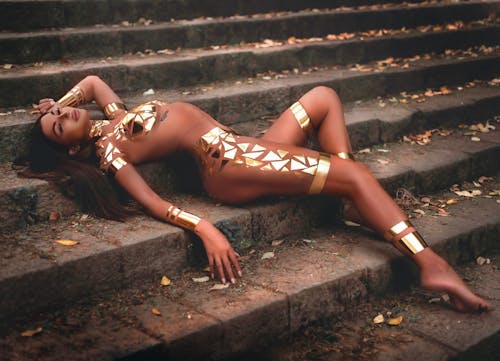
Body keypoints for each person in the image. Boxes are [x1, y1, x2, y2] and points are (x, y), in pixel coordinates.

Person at [29, 75, 489, 312]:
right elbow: (150, 201)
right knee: (359, 175)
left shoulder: (112, 116)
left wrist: (58, 103)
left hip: (243, 147)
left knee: (324, 97)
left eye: (64, 114)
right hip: (228, 164)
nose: (67, 117)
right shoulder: (110, 153)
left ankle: (352, 196)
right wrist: (204, 227)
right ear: (69, 145)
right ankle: (430, 264)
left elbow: (90, 82)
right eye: (59, 126)